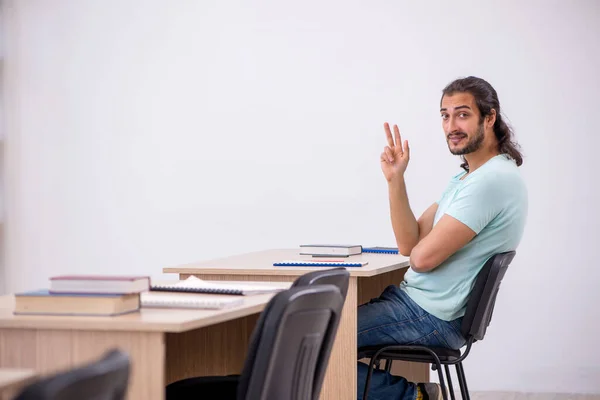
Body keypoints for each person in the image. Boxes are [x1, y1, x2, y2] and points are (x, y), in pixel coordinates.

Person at [357, 76, 528, 400]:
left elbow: (421, 259)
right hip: (421, 307)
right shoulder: (468, 177)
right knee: (313, 337)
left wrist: (425, 245)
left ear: (489, 117)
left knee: (312, 340)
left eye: (462, 114)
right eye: (445, 115)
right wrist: (396, 180)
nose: (451, 125)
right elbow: (410, 244)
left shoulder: (489, 182)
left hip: (430, 316)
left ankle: (412, 397)